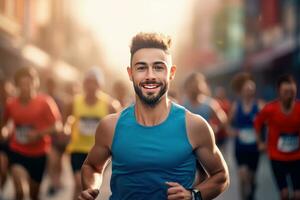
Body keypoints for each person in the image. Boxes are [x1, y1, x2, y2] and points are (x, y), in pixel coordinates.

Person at [78, 32, 229, 200]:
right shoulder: (110, 126)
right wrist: (91, 188)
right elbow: (92, 166)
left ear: (171, 73)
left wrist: (194, 195)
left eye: (158, 67)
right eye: (141, 68)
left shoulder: (194, 126)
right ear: (130, 73)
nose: (150, 76)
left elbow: (221, 176)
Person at [1, 67, 62, 200]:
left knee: (34, 195)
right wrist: (4, 131)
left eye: (29, 84)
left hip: (39, 155)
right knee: (21, 191)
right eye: (22, 84)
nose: (26, 88)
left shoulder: (45, 102)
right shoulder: (11, 104)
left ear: (35, 83)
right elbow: (4, 124)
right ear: (17, 86)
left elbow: (57, 126)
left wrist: (39, 134)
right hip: (18, 152)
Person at [65, 67, 121, 200]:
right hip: (77, 149)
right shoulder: (74, 102)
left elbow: (118, 127)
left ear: (99, 85)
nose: (90, 86)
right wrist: (65, 129)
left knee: (89, 190)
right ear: (84, 84)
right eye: (88, 82)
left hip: (99, 152)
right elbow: (64, 121)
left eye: (94, 82)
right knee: (79, 184)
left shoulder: (109, 105)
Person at [254, 74, 300, 200]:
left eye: (292, 91)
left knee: (297, 195)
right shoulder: (270, 109)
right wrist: (260, 142)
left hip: (297, 157)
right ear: (279, 92)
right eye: (286, 92)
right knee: (284, 194)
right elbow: (258, 123)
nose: (289, 95)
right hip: (277, 157)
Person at [228, 72, 264, 200]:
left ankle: (252, 193)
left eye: (251, 89)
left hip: (254, 148)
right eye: (247, 89)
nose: (249, 91)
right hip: (240, 148)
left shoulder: (259, 106)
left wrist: (262, 141)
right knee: (243, 177)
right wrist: (233, 132)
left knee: (251, 178)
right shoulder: (236, 106)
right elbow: (227, 125)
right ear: (241, 91)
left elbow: (266, 125)